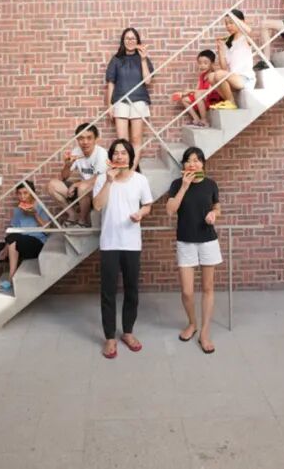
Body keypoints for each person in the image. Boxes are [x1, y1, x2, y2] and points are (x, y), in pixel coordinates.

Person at [92, 138, 153, 359]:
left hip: (131, 243)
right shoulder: (102, 179)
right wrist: (109, 181)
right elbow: (97, 206)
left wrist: (141, 213)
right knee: (108, 291)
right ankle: (110, 337)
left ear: (130, 157)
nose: (119, 156)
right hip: (109, 243)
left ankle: (128, 332)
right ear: (111, 158)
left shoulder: (140, 180)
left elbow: (148, 205)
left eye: (123, 153)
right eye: (115, 153)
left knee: (131, 289)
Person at [165, 147, 222, 354]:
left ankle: (205, 332)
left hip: (208, 241)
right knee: (187, 291)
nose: (193, 164)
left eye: (197, 160)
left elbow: (217, 207)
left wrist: (214, 214)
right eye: (189, 160)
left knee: (208, 288)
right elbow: (170, 210)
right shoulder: (176, 184)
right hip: (185, 241)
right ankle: (192, 323)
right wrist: (184, 186)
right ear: (184, 165)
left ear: (203, 163)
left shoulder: (211, 184)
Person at [0, 181, 51, 297]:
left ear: (32, 193)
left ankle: (11, 279)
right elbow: (13, 231)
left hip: (36, 244)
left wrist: (35, 215)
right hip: (17, 243)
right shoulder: (18, 210)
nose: (22, 196)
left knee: (15, 238)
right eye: (19, 193)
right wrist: (6, 247)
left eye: (25, 193)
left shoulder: (40, 207)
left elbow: (48, 231)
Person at [105, 27, 154, 163]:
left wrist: (143, 59)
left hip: (139, 101)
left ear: (137, 41)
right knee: (122, 141)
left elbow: (148, 81)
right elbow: (111, 83)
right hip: (120, 101)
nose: (130, 41)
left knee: (136, 139)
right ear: (123, 41)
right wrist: (109, 105)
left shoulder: (143, 58)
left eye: (133, 38)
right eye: (127, 38)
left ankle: (132, 169)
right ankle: (124, 168)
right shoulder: (116, 59)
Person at [47, 122, 107, 227]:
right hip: (82, 190)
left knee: (83, 187)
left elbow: (97, 178)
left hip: (97, 191)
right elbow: (64, 177)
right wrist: (67, 165)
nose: (85, 142)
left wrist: (76, 185)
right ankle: (73, 215)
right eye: (81, 138)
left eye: (89, 138)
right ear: (77, 139)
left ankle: (83, 221)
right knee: (52, 185)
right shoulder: (76, 151)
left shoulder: (101, 153)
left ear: (96, 139)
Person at [206, 9, 255, 108]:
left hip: (245, 79)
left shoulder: (245, 38)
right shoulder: (229, 44)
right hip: (233, 79)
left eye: (231, 23)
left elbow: (250, 31)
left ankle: (231, 103)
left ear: (241, 22)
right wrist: (220, 50)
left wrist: (234, 17)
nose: (228, 26)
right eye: (226, 24)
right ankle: (229, 101)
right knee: (211, 76)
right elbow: (224, 68)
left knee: (219, 74)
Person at [175, 49, 224, 127]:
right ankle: (196, 119)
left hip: (212, 99)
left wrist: (191, 91)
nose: (202, 65)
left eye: (205, 63)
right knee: (184, 99)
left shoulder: (213, 75)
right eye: (200, 63)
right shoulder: (202, 76)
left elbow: (209, 91)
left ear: (212, 64)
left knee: (197, 94)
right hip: (201, 98)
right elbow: (197, 90)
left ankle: (204, 120)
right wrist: (185, 93)